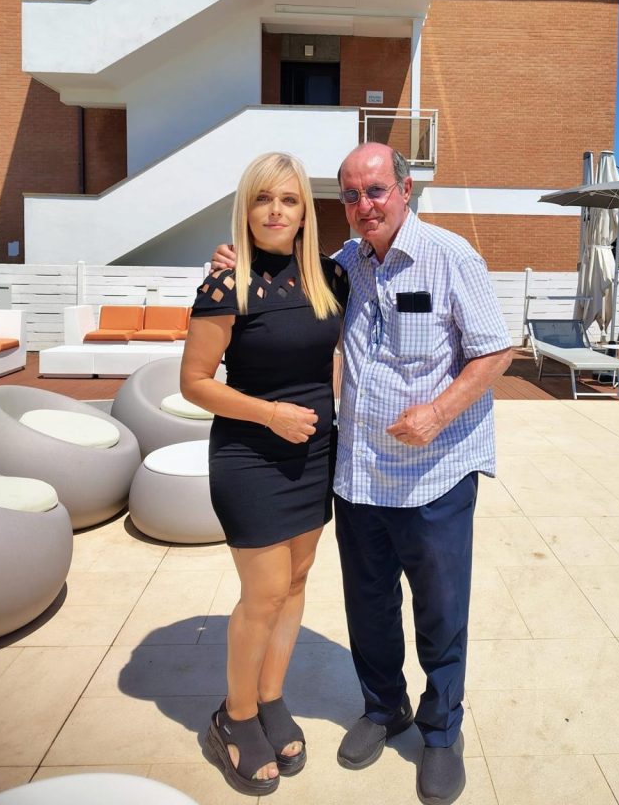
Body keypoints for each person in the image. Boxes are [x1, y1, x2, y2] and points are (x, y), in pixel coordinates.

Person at [213, 143, 512, 805]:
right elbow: (281, 278)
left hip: (434, 474)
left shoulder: (450, 257)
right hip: (360, 475)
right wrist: (236, 259)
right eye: (350, 195)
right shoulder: (344, 264)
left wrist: (438, 411)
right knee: (369, 606)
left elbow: (495, 351)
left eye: (375, 190)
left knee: (440, 611)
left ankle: (441, 732)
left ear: (405, 190)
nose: (363, 205)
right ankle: (384, 707)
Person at [182, 151, 348, 796]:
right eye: (262, 199)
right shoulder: (225, 285)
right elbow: (195, 382)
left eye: (288, 199)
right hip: (250, 456)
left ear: (306, 210)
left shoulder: (331, 277)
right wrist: (269, 414)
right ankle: (235, 714)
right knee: (265, 592)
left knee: (297, 581)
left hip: (314, 454)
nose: (275, 211)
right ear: (245, 209)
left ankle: (271, 697)